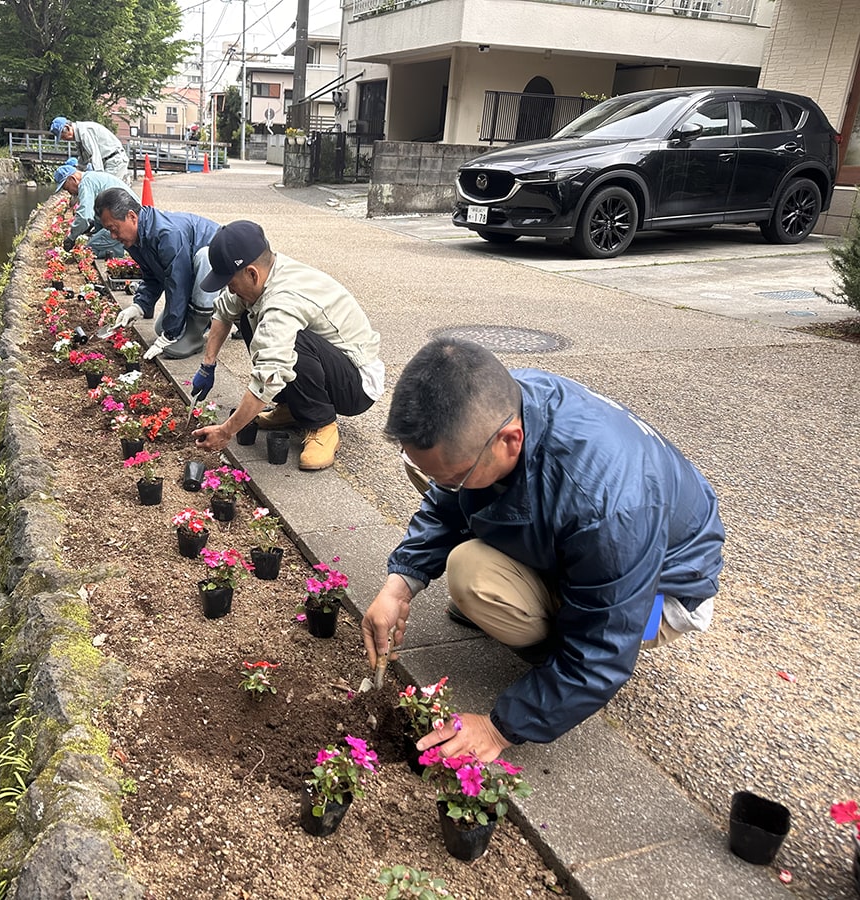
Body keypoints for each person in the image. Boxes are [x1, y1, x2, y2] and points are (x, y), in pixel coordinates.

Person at [361, 337, 725, 762]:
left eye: (454, 477)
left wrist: (500, 728)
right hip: (591, 543)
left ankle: (550, 645)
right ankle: (540, 609)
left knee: (483, 582)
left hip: (662, 595)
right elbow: (446, 503)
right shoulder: (497, 401)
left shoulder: (608, 507)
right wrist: (399, 585)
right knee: (473, 564)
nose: (444, 487)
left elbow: (603, 650)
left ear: (510, 441)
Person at [189, 220, 384, 471]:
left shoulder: (283, 300)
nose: (229, 288)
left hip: (356, 384)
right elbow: (224, 311)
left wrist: (226, 431)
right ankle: (293, 408)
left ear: (251, 273)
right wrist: (208, 364)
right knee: (251, 320)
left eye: (230, 281)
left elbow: (270, 375)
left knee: (287, 341)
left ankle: (321, 425)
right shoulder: (263, 275)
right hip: (329, 366)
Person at [94, 187, 219, 360]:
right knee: (161, 328)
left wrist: (170, 336)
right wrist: (138, 306)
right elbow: (152, 276)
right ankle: (211, 319)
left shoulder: (166, 234)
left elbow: (179, 282)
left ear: (132, 216)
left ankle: (195, 335)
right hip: (196, 279)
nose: (113, 236)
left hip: (226, 274)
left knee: (207, 256)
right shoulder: (138, 238)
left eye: (113, 228)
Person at [52, 162, 134, 259]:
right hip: (125, 218)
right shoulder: (92, 177)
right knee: (96, 242)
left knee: (88, 250)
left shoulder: (85, 183)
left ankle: (117, 256)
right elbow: (97, 214)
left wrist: (71, 238)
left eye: (66, 188)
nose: (69, 192)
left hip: (123, 221)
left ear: (72, 179)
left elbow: (84, 216)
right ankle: (119, 253)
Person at [49, 116, 129, 183]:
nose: (64, 140)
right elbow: (83, 160)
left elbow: (95, 156)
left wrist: (98, 180)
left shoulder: (84, 132)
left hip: (114, 160)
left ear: (67, 128)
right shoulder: (79, 135)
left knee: (108, 189)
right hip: (109, 160)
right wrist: (76, 172)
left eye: (63, 137)